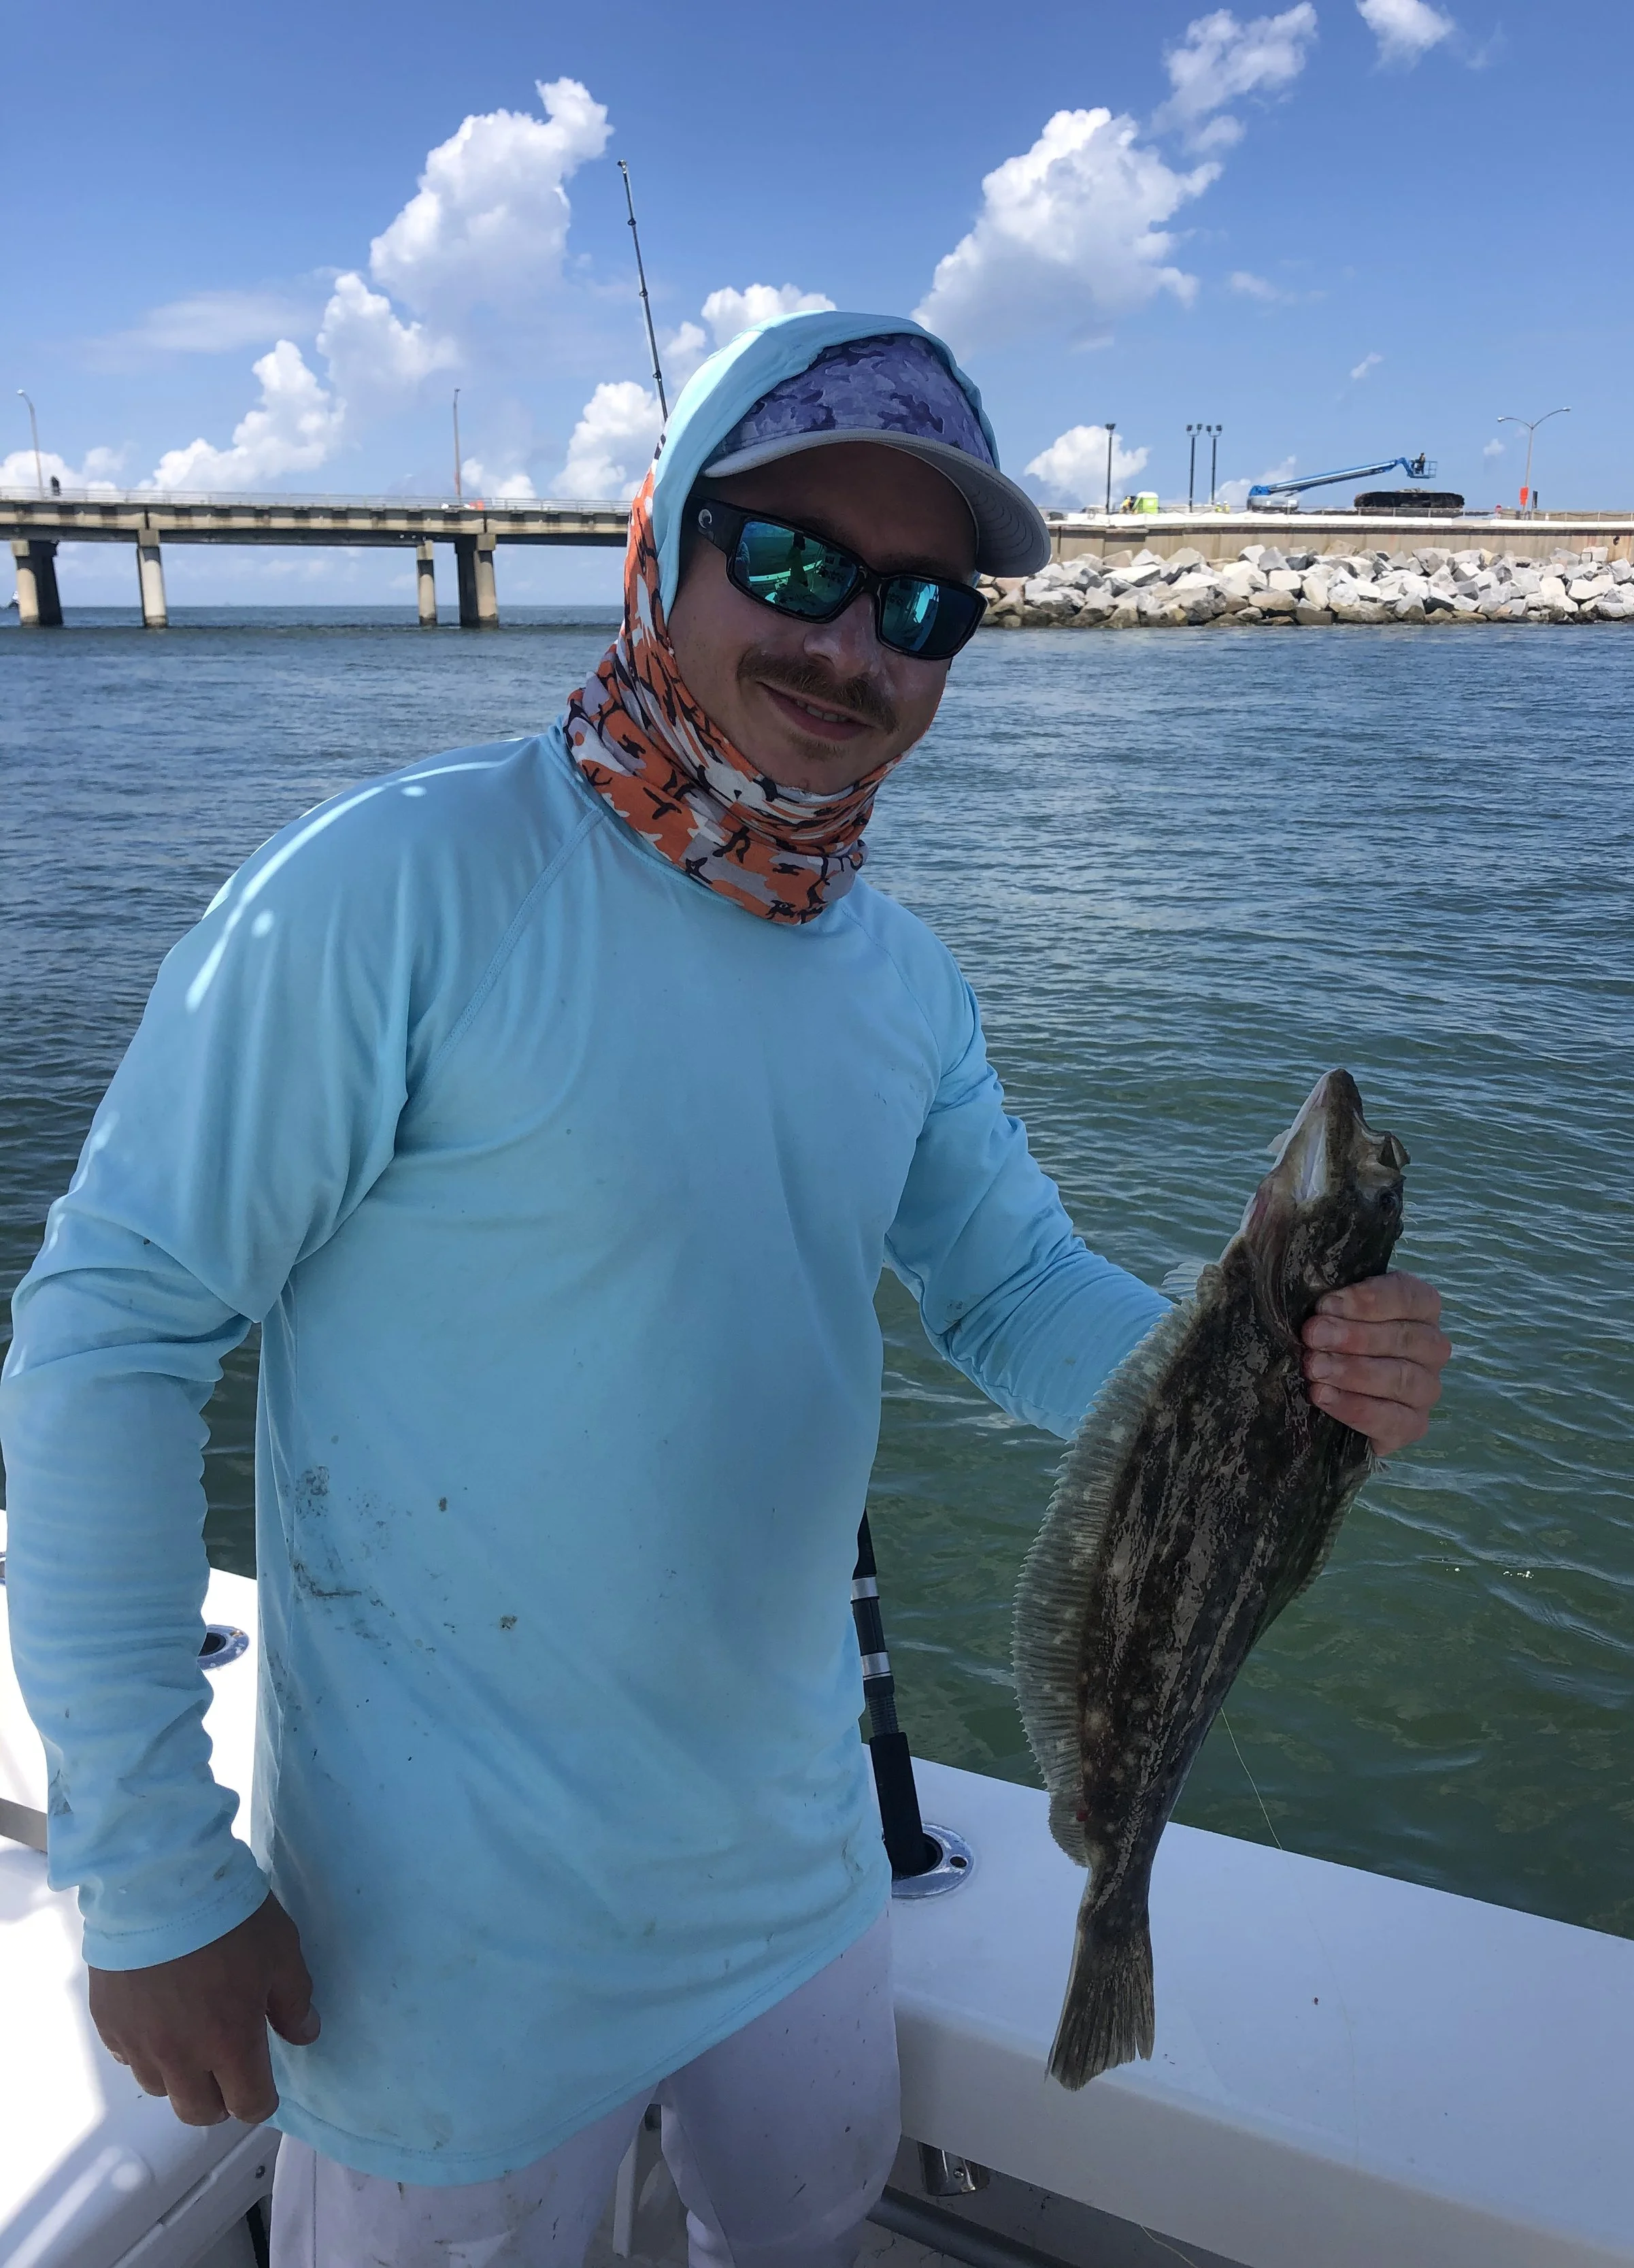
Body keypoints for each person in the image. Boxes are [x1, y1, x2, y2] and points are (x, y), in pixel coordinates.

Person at [0, 312, 1450, 2267]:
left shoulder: (900, 980)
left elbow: (1012, 1291)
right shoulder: (397, 888)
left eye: (922, 607)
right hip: (441, 1941)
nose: (849, 647)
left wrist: (1274, 1375)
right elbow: (112, 1326)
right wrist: (150, 1872)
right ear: (658, 546)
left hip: (792, 1884)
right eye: (787, 563)